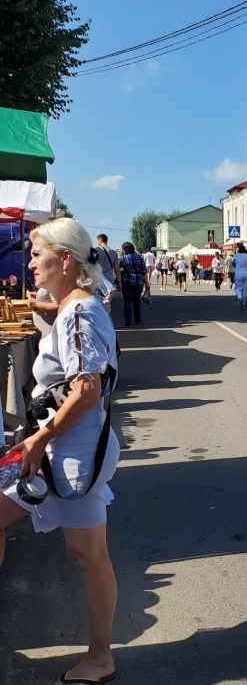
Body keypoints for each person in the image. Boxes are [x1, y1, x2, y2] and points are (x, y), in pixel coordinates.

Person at [0, 218, 120, 685]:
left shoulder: (79, 313)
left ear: (65, 259)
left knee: (90, 555)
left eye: (36, 253)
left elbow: (87, 388)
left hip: (66, 453)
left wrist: (39, 438)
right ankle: (101, 656)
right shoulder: (77, 306)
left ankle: (102, 657)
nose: (30, 262)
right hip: (74, 449)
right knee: (89, 554)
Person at [118, 242, 149, 326]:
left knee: (127, 302)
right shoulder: (140, 257)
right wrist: (147, 283)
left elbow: (120, 271)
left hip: (126, 281)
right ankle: (137, 320)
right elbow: (144, 271)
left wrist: (119, 283)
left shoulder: (122, 259)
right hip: (139, 282)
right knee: (136, 301)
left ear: (124, 249)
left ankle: (128, 321)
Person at [96, 234, 122, 302]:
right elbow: (117, 270)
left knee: (97, 303)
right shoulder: (113, 252)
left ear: (100, 240)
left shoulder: (95, 251)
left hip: (98, 281)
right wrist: (119, 283)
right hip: (110, 281)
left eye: (97, 240)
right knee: (107, 303)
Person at [233, 243, 247, 309]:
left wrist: (237, 266)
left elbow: (233, 264)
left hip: (238, 273)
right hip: (246, 273)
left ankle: (240, 298)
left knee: (237, 288)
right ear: (245, 250)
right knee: (245, 289)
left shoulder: (236, 256)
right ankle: (243, 303)